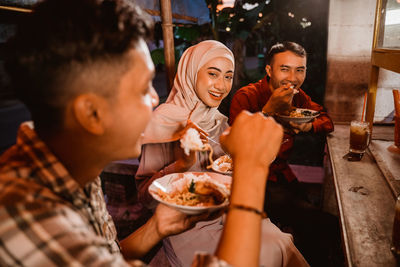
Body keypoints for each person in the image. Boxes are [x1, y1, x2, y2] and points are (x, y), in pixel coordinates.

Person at [0, 0, 296, 266]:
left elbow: (113, 254)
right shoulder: (31, 218)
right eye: (144, 89)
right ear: (91, 113)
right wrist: (251, 170)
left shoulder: (76, 177)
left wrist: (158, 226)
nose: (156, 100)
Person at [136, 40, 309, 267]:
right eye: (213, 74)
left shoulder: (219, 121)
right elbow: (145, 198)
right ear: (191, 72)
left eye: (228, 76)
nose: (221, 85)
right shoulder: (163, 120)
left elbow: (233, 168)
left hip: (226, 215)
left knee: (283, 243)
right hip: (184, 228)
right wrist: (182, 163)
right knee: (267, 251)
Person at [229, 41, 339, 266]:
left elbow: (327, 120)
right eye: (285, 69)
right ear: (269, 70)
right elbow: (235, 148)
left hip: (282, 174)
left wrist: (309, 126)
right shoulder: (246, 96)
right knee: (322, 223)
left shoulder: (298, 97)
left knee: (312, 217)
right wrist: (268, 111)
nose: (293, 77)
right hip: (251, 181)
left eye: (300, 70)